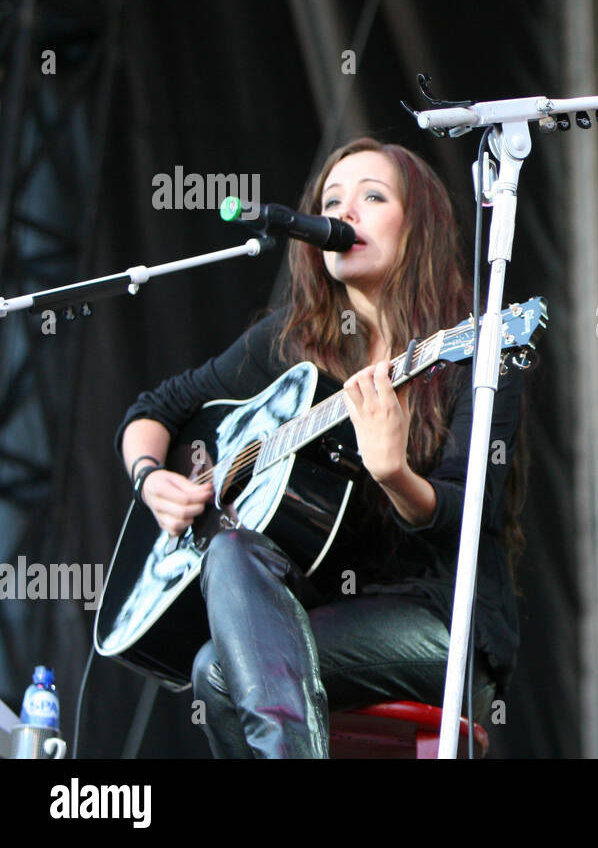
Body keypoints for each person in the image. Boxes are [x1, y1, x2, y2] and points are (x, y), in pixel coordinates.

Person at [117, 138, 524, 758]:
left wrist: (393, 474)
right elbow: (156, 410)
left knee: (216, 670)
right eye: (332, 201)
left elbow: (467, 513)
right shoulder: (289, 345)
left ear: (420, 225)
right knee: (226, 565)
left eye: (372, 197)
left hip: (441, 618)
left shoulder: (474, 349)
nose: (345, 214)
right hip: (323, 612)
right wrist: (152, 478)